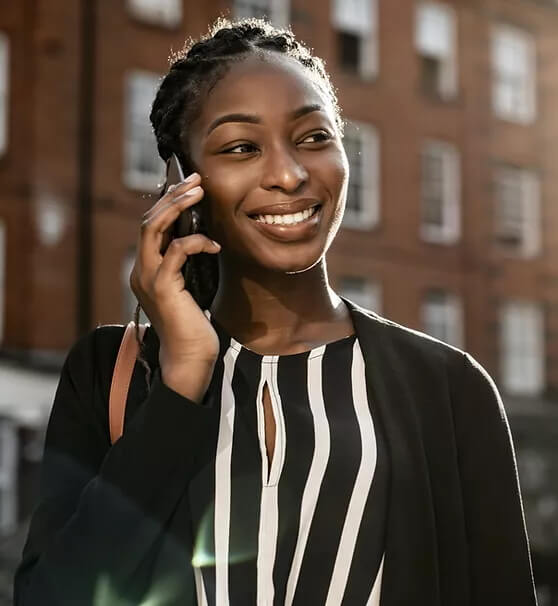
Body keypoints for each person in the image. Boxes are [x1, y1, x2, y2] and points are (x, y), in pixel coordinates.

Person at [14, 17, 537, 606]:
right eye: (241, 147)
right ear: (181, 183)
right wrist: (183, 379)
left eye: (314, 137)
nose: (289, 174)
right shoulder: (108, 371)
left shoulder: (449, 388)